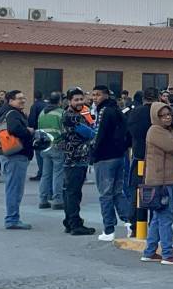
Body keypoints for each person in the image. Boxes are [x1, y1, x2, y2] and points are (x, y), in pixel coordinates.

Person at [140, 102, 173, 265]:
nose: (167, 117)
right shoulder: (155, 131)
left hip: (169, 179)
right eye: (162, 115)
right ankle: (168, 254)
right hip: (160, 181)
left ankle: (149, 252)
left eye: (168, 114)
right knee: (165, 217)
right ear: (156, 117)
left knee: (157, 217)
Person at [90, 85, 132, 241]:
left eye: (98, 94)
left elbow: (99, 134)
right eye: (93, 95)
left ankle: (108, 229)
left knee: (105, 194)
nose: (95, 98)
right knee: (117, 192)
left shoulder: (103, 111)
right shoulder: (118, 110)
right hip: (119, 156)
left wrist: (93, 153)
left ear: (106, 95)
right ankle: (130, 222)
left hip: (104, 156)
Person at [59, 88, 96, 236]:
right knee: (73, 193)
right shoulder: (73, 116)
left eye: (81, 99)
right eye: (76, 100)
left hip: (71, 158)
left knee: (69, 192)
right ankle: (75, 224)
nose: (80, 102)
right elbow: (90, 133)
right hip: (76, 159)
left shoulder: (67, 114)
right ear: (69, 101)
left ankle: (69, 221)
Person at [0, 90, 34, 230]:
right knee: (15, 188)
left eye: (23, 98)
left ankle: (13, 217)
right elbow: (14, 129)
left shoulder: (5, 113)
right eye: (19, 99)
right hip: (15, 155)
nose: (22, 100)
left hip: (10, 155)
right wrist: (28, 131)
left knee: (13, 187)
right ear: (10, 101)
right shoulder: (13, 114)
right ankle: (12, 219)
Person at [126, 87, 158, 236]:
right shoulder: (160, 112)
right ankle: (154, 226)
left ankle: (136, 227)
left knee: (137, 192)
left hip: (139, 155)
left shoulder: (135, 112)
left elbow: (128, 133)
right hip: (157, 157)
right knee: (156, 192)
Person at [37, 92, 65, 210]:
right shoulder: (61, 113)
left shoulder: (42, 113)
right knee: (58, 173)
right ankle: (58, 199)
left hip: (45, 146)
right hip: (57, 145)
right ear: (59, 101)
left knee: (45, 174)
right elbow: (64, 130)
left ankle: (43, 199)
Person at [28, 91, 47, 182]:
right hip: (48, 131)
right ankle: (46, 171)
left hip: (38, 131)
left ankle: (41, 172)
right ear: (42, 96)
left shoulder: (34, 106)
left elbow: (32, 119)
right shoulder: (46, 105)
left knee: (39, 153)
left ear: (34, 97)